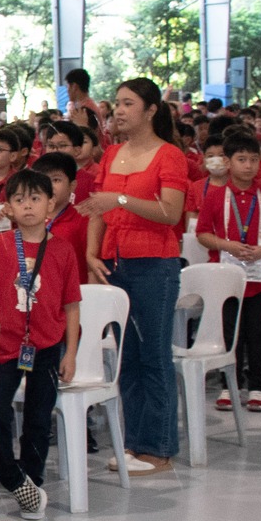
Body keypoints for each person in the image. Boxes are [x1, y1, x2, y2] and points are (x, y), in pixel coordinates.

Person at [0, 168, 81, 521]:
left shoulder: (63, 251)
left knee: (39, 418)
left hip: (46, 347)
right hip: (6, 347)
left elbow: (71, 306)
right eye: (19, 199)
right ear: (8, 207)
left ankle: (32, 483)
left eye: (35, 199)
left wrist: (70, 353)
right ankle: (11, 476)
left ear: (50, 204)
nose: (28, 206)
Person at [78, 80, 188, 472]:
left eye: (128, 104)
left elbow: (171, 214)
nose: (119, 111)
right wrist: (92, 252)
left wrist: (121, 199)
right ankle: (134, 442)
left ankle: (157, 449)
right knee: (127, 358)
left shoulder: (169, 155)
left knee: (154, 356)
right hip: (114, 263)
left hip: (154, 264)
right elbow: (96, 209)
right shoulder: (111, 154)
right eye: (118, 104)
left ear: (151, 110)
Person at [194, 132, 261, 411]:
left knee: (257, 331)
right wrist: (227, 245)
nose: (248, 166)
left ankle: (259, 386)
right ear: (228, 162)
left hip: (260, 277)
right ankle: (228, 385)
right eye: (241, 159)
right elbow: (202, 234)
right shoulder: (215, 197)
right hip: (224, 278)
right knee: (229, 331)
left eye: (254, 160)